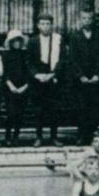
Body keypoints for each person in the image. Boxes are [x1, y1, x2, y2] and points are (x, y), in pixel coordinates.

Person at [67, 9, 99, 145]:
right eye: (84, 18)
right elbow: (73, 59)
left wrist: (97, 74)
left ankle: (93, 137)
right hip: (80, 81)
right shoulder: (75, 37)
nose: (87, 21)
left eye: (89, 18)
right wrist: (80, 76)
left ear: (93, 20)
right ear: (80, 20)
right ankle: (81, 135)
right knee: (81, 108)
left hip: (95, 79)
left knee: (94, 107)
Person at [27, 14, 64, 146]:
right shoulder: (32, 41)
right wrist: (36, 75)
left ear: (52, 25)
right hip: (38, 79)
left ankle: (54, 137)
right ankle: (39, 137)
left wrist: (53, 74)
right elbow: (29, 61)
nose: (45, 26)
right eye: (42, 24)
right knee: (38, 110)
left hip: (52, 77)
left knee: (54, 109)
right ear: (38, 26)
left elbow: (62, 59)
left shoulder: (58, 40)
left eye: (48, 24)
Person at [2, 30, 29, 146]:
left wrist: (25, 86)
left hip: (23, 88)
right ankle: (7, 136)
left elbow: (29, 72)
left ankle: (16, 136)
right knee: (10, 113)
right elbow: (4, 72)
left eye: (19, 40)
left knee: (20, 113)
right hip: (9, 88)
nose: (17, 43)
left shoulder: (25, 54)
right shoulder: (6, 55)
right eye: (14, 41)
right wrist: (10, 85)